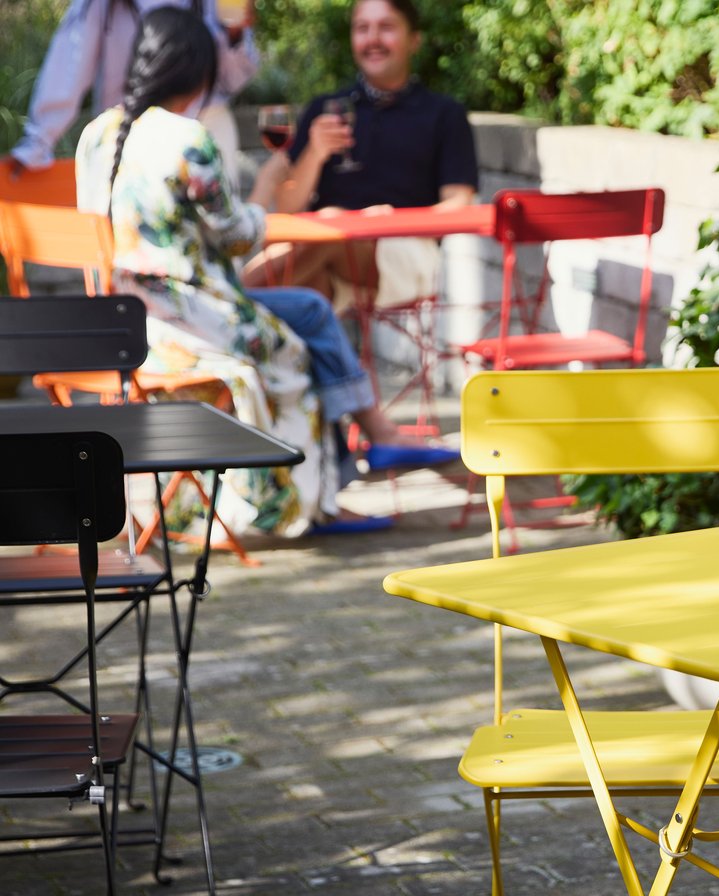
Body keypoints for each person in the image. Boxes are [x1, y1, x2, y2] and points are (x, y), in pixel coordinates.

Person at [75, 6, 400, 535]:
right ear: (198, 73)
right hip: (195, 320)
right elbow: (236, 238)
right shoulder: (187, 139)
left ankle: (346, 460)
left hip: (126, 325)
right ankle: (302, 506)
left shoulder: (95, 136)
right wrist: (263, 207)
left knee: (310, 308)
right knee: (297, 340)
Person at [241, 0, 477, 310]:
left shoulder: (444, 114)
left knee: (328, 229)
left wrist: (394, 221)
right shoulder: (325, 108)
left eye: (386, 27)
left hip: (406, 251)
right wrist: (315, 151)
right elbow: (288, 206)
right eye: (362, 28)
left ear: (414, 39)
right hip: (321, 251)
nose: (372, 38)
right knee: (306, 286)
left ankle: (228, 305)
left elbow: (459, 204)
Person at [7, 0, 258, 181]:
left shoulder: (96, 135)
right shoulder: (101, 6)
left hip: (204, 123)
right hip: (125, 135)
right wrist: (36, 143)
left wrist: (234, 35)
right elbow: (69, 64)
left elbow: (230, 80)